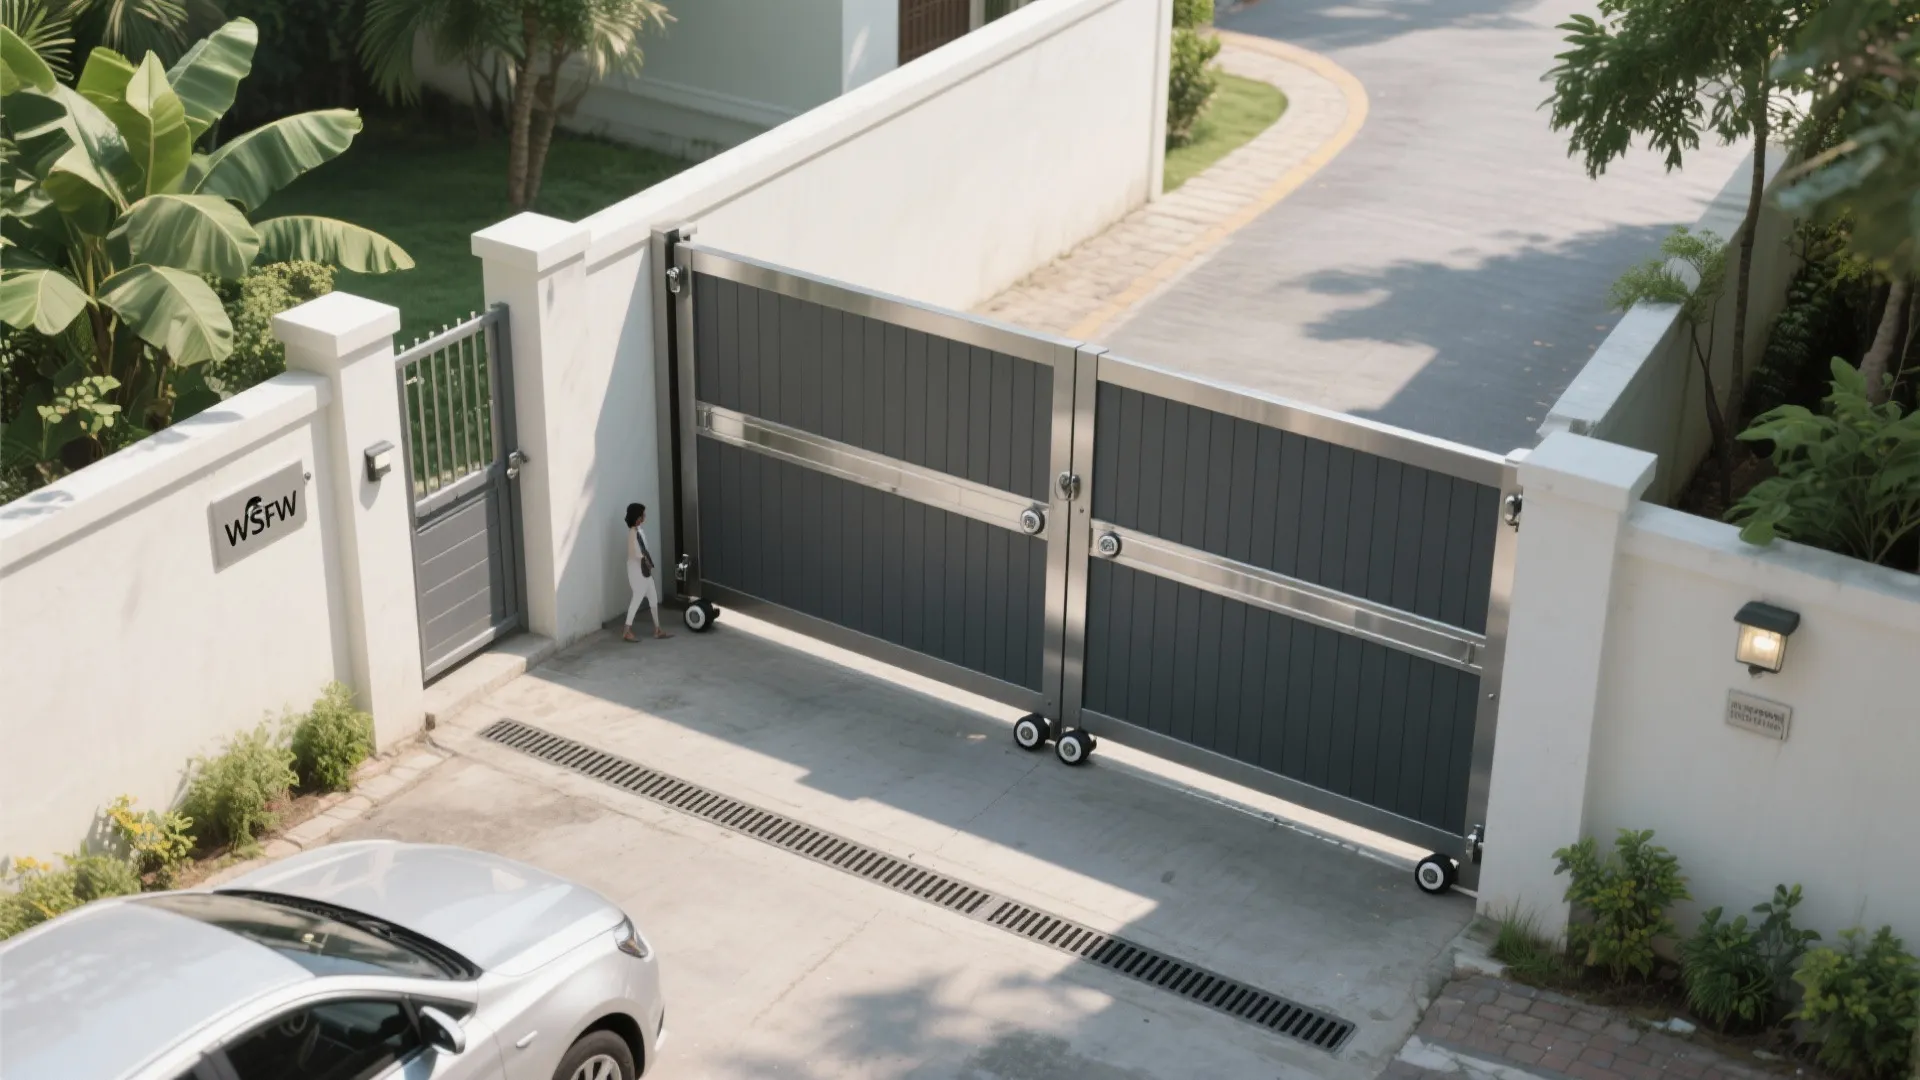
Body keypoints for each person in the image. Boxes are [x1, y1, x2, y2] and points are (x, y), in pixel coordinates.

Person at [623, 503, 670, 642]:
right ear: (637, 517)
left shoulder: (639, 531)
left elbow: (643, 549)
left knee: (653, 597)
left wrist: (646, 559)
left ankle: (657, 629)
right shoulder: (633, 533)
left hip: (643, 568)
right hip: (637, 570)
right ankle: (626, 630)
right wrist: (645, 557)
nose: (644, 517)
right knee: (637, 597)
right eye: (642, 514)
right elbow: (634, 553)